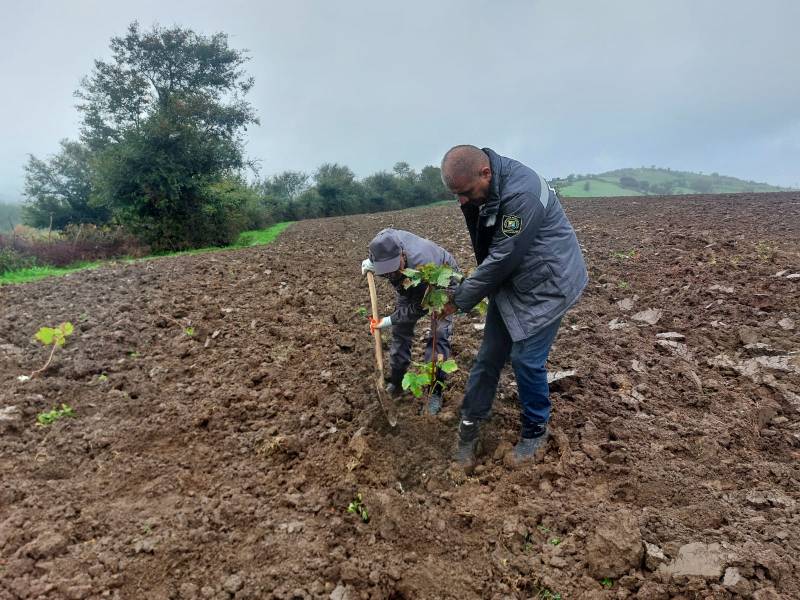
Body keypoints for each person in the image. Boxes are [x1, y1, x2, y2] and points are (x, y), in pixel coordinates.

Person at [437, 145, 588, 465]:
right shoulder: (484, 188)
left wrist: (460, 299)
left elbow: (503, 258)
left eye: (464, 193)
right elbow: (495, 255)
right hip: (514, 280)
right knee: (488, 357)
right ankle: (469, 428)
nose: (461, 201)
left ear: (485, 173)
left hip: (550, 282)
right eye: (456, 195)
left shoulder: (522, 195)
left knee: (525, 360)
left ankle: (536, 429)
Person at [361, 228, 460, 415]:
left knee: (438, 334)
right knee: (400, 331)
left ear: (403, 254)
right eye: (386, 271)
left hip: (441, 284)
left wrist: (391, 319)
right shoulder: (382, 244)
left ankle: (434, 392)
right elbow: (393, 275)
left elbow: (419, 306)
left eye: (393, 268)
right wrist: (371, 265)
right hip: (410, 285)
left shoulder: (422, 261)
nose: (391, 274)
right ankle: (397, 381)